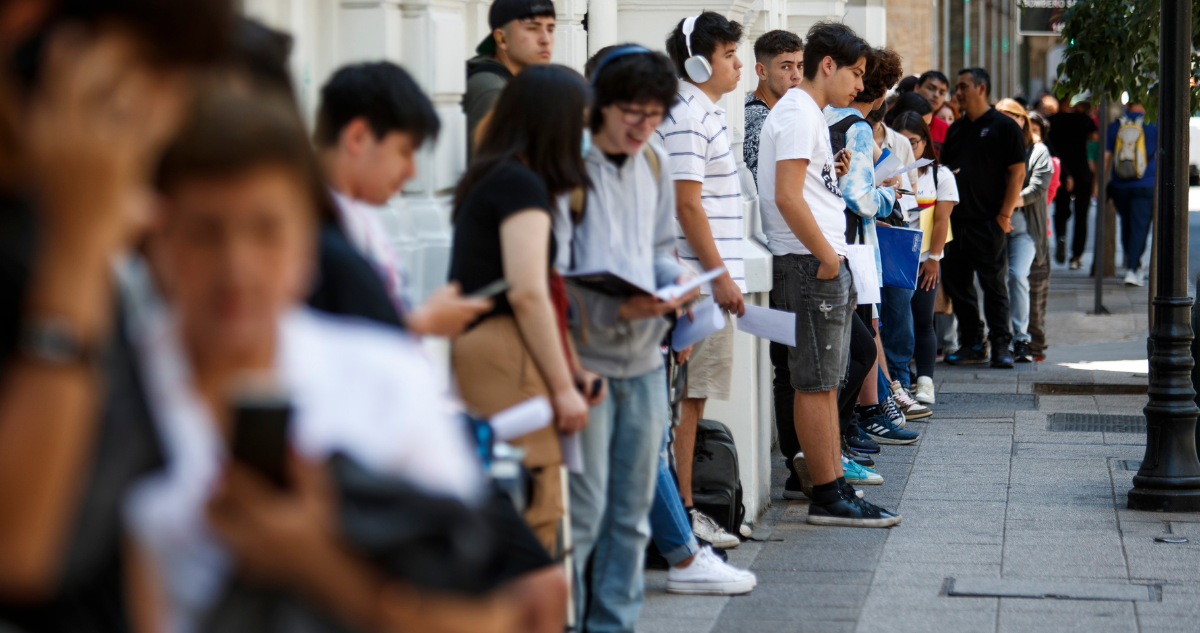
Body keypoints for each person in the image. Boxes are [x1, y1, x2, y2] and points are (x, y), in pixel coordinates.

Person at [123, 89, 516, 633]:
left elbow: (486, 615)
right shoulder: (109, 386)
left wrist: (316, 562)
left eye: (266, 230)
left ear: (308, 240)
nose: (236, 266)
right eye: (205, 232)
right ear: (160, 238)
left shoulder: (382, 381)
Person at [0, 3, 234, 631]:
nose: (164, 119)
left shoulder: (58, 218)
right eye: (151, 77)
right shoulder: (63, 244)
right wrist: (77, 250)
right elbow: (18, 548)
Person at [566, 47, 750, 630]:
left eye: (654, 115)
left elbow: (654, 251)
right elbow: (546, 276)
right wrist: (620, 304)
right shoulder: (567, 169)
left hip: (645, 354)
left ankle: (612, 623)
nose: (644, 127)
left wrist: (682, 290)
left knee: (630, 510)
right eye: (632, 114)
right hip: (587, 355)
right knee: (586, 508)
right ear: (599, 105)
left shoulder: (650, 161)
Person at [449, 65, 600, 557]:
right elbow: (529, 291)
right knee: (532, 504)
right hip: (504, 350)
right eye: (578, 123)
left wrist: (569, 373)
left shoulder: (496, 178)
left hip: (497, 346)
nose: (584, 137)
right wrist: (562, 387)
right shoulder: (519, 185)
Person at [757, 20, 900, 527]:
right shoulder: (799, 111)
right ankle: (828, 494)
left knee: (817, 382)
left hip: (810, 259)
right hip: (807, 262)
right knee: (816, 384)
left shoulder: (806, 113)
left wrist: (832, 175)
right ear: (828, 66)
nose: (861, 87)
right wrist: (826, 257)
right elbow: (786, 196)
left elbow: (802, 188)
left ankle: (826, 484)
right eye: (856, 74)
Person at [315, 62, 493, 337]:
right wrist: (424, 322)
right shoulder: (309, 232)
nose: (412, 172)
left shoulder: (355, 217)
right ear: (358, 137)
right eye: (404, 151)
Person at [659, 11, 747, 547]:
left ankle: (683, 512)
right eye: (730, 55)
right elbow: (687, 205)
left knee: (694, 399)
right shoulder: (687, 115)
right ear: (698, 62)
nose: (739, 64)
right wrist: (717, 278)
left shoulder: (703, 112)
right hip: (698, 288)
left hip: (707, 285)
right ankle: (684, 515)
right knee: (687, 401)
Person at [825, 47, 926, 443]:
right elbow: (859, 196)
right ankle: (854, 424)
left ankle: (859, 420)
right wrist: (889, 197)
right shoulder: (858, 126)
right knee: (862, 338)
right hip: (854, 243)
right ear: (880, 95)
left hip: (832, 239)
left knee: (853, 339)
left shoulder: (820, 114)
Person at [940, 68, 1026, 369]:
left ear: (981, 88)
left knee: (994, 286)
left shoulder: (1004, 127)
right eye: (957, 87)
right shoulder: (956, 129)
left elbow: (1018, 174)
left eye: (963, 87)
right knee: (957, 285)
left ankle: (1002, 344)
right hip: (955, 223)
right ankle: (973, 342)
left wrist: (1004, 214)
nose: (957, 93)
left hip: (989, 223)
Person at [892, 112, 956, 404]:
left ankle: (926, 381)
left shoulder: (940, 175)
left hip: (924, 260)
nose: (909, 148)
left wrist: (934, 258)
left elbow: (942, 221)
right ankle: (899, 382)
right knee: (896, 322)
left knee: (923, 320)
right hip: (895, 259)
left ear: (926, 142)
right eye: (902, 142)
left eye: (914, 142)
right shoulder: (890, 172)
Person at [996, 99, 1051, 364]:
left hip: (1023, 228)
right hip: (993, 224)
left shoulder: (1038, 151)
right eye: (1001, 117)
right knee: (990, 281)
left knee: (1017, 275)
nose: (1007, 122)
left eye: (1012, 117)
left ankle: (1021, 337)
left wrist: (1007, 205)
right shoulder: (993, 144)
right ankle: (995, 337)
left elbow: (1037, 190)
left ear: (1023, 120)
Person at [463, 0, 555, 148]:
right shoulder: (492, 90)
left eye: (550, 29)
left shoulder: (519, 83)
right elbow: (491, 167)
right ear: (501, 38)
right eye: (532, 28)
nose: (546, 39)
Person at [1105, 102, 1157, 287]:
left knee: (1127, 225)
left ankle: (1132, 263)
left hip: (1120, 185)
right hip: (1146, 184)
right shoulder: (1154, 124)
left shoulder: (1115, 126)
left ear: (1128, 105)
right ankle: (1133, 269)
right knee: (1139, 227)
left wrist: (1099, 183)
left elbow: (1106, 156)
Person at [744, 29, 803, 183]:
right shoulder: (759, 120)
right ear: (762, 71)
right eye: (786, 66)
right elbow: (770, 185)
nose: (796, 75)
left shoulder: (779, 113)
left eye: (800, 66)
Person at [1048, 94, 1097, 268]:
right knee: (1081, 215)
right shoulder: (1083, 120)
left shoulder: (1051, 121)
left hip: (1062, 172)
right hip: (1082, 171)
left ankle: (1061, 236)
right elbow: (1094, 136)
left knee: (1060, 210)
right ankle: (1076, 256)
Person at [1027, 112, 1054, 361]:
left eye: (1035, 128)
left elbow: (1041, 191)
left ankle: (1036, 346)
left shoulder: (1043, 157)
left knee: (1036, 295)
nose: (1030, 132)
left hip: (1037, 235)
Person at [915, 70, 951, 149]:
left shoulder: (944, 128)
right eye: (931, 88)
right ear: (917, 88)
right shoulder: (898, 120)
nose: (936, 95)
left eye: (942, 93)